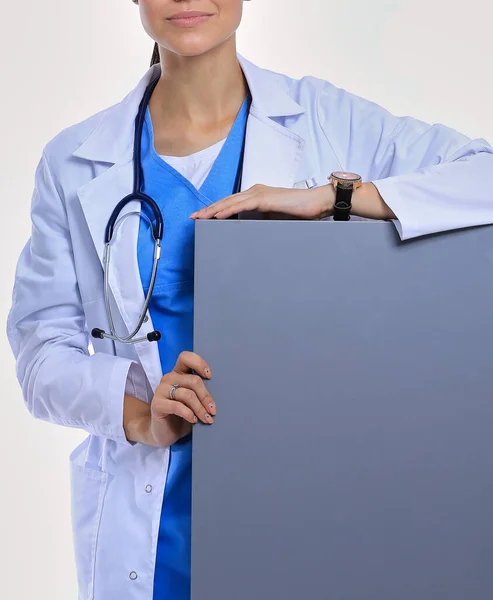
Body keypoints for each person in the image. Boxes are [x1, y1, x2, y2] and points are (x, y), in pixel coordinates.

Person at [6, 1, 493, 599]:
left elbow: (484, 174)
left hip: (301, 502)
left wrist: (332, 199)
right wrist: (139, 416)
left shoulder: (324, 120)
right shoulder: (74, 159)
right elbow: (39, 351)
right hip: (149, 530)